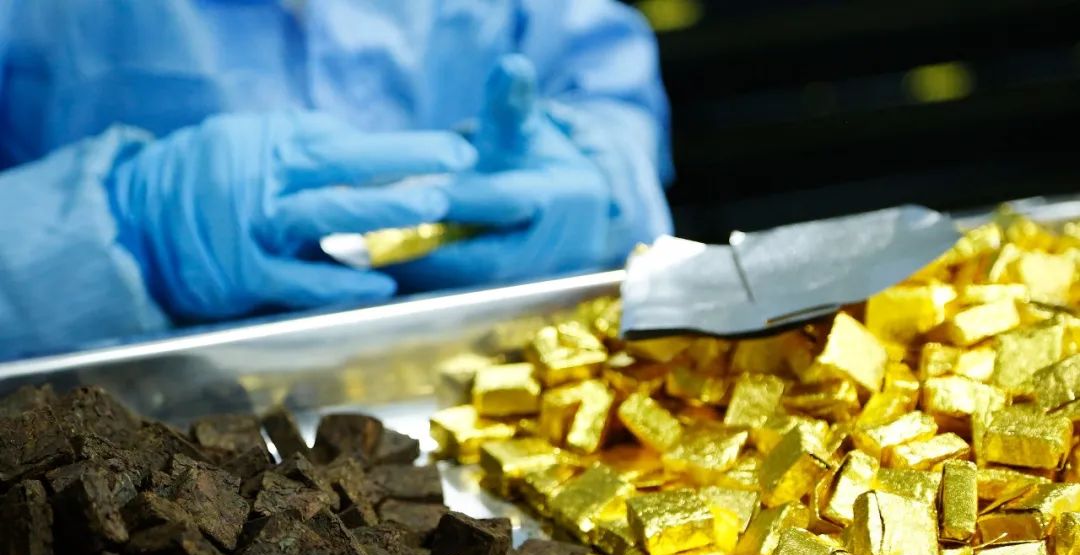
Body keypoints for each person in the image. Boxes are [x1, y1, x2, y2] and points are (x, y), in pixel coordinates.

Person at [0, 0, 672, 360]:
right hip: (125, 396)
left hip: (468, 370)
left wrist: (598, 176)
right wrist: (115, 231)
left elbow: (601, 75)